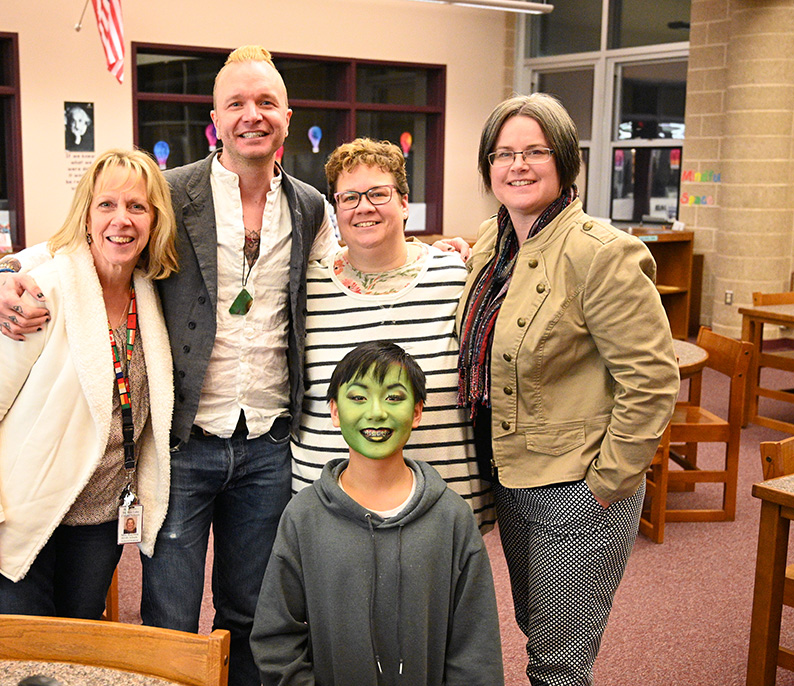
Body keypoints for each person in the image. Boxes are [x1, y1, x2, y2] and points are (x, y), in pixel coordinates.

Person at [0, 46, 337, 685]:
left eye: (265, 103)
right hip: (180, 445)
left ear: (287, 114)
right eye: (236, 104)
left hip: (270, 446)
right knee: (168, 612)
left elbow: (350, 271)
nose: (251, 116)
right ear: (215, 118)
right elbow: (69, 245)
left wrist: (439, 253)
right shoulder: (172, 192)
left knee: (252, 609)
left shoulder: (311, 207)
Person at [456, 93, 679, 685]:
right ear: (488, 167)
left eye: (535, 151)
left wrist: (609, 483)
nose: (518, 165)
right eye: (504, 153)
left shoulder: (600, 253)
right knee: (540, 632)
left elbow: (652, 378)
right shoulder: (492, 244)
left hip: (578, 486)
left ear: (564, 162)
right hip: (511, 473)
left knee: (560, 661)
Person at [0, 149, 177, 618]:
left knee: (78, 639)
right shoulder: (42, 292)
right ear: (85, 216)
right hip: (21, 514)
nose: (121, 220)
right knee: (26, 655)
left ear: (154, 220)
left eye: (137, 206)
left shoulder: (154, 293)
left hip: (100, 516)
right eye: (106, 205)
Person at [251, 341, 504, 685]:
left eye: (394, 397)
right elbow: (276, 637)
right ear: (335, 410)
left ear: (417, 412)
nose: (376, 412)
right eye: (357, 397)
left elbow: (476, 650)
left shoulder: (453, 518)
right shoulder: (303, 516)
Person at [293, 138, 493, 528]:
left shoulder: (454, 276)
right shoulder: (307, 286)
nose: (363, 206)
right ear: (335, 210)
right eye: (349, 197)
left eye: (378, 194)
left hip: (444, 500)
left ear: (404, 203)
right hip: (326, 501)